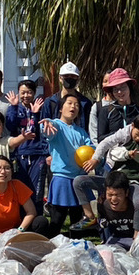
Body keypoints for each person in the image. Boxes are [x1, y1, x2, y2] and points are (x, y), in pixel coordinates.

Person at [74, 112, 139, 227]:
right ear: (132, 126)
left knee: (133, 201)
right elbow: (106, 143)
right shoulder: (124, 134)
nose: (138, 138)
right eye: (137, 134)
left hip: (130, 180)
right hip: (111, 171)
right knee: (99, 196)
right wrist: (95, 159)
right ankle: (91, 217)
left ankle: (135, 231)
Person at [39, 94, 95, 237]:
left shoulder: (81, 131)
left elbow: (91, 148)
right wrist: (47, 124)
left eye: (76, 105)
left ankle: (75, 244)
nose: (73, 107)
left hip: (79, 179)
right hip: (62, 178)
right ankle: (51, 244)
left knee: (77, 218)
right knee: (58, 217)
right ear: (60, 108)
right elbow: (49, 128)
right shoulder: (57, 126)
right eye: (69, 103)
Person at [5, 79, 47, 207]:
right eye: (22, 92)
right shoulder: (14, 108)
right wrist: (13, 107)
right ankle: (21, 216)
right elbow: (10, 126)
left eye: (29, 92)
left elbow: (40, 132)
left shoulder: (40, 108)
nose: (26, 96)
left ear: (34, 93)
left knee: (36, 188)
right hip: (19, 154)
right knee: (20, 187)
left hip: (37, 153)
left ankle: (37, 216)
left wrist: (35, 114)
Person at [96, 67, 139, 142]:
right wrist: (120, 134)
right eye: (115, 89)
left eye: (123, 87)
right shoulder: (105, 111)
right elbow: (100, 139)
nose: (119, 92)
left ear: (129, 87)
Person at [99, 171, 139, 249]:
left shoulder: (137, 205)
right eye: (110, 194)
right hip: (117, 241)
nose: (113, 199)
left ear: (126, 193)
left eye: (118, 195)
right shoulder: (103, 205)